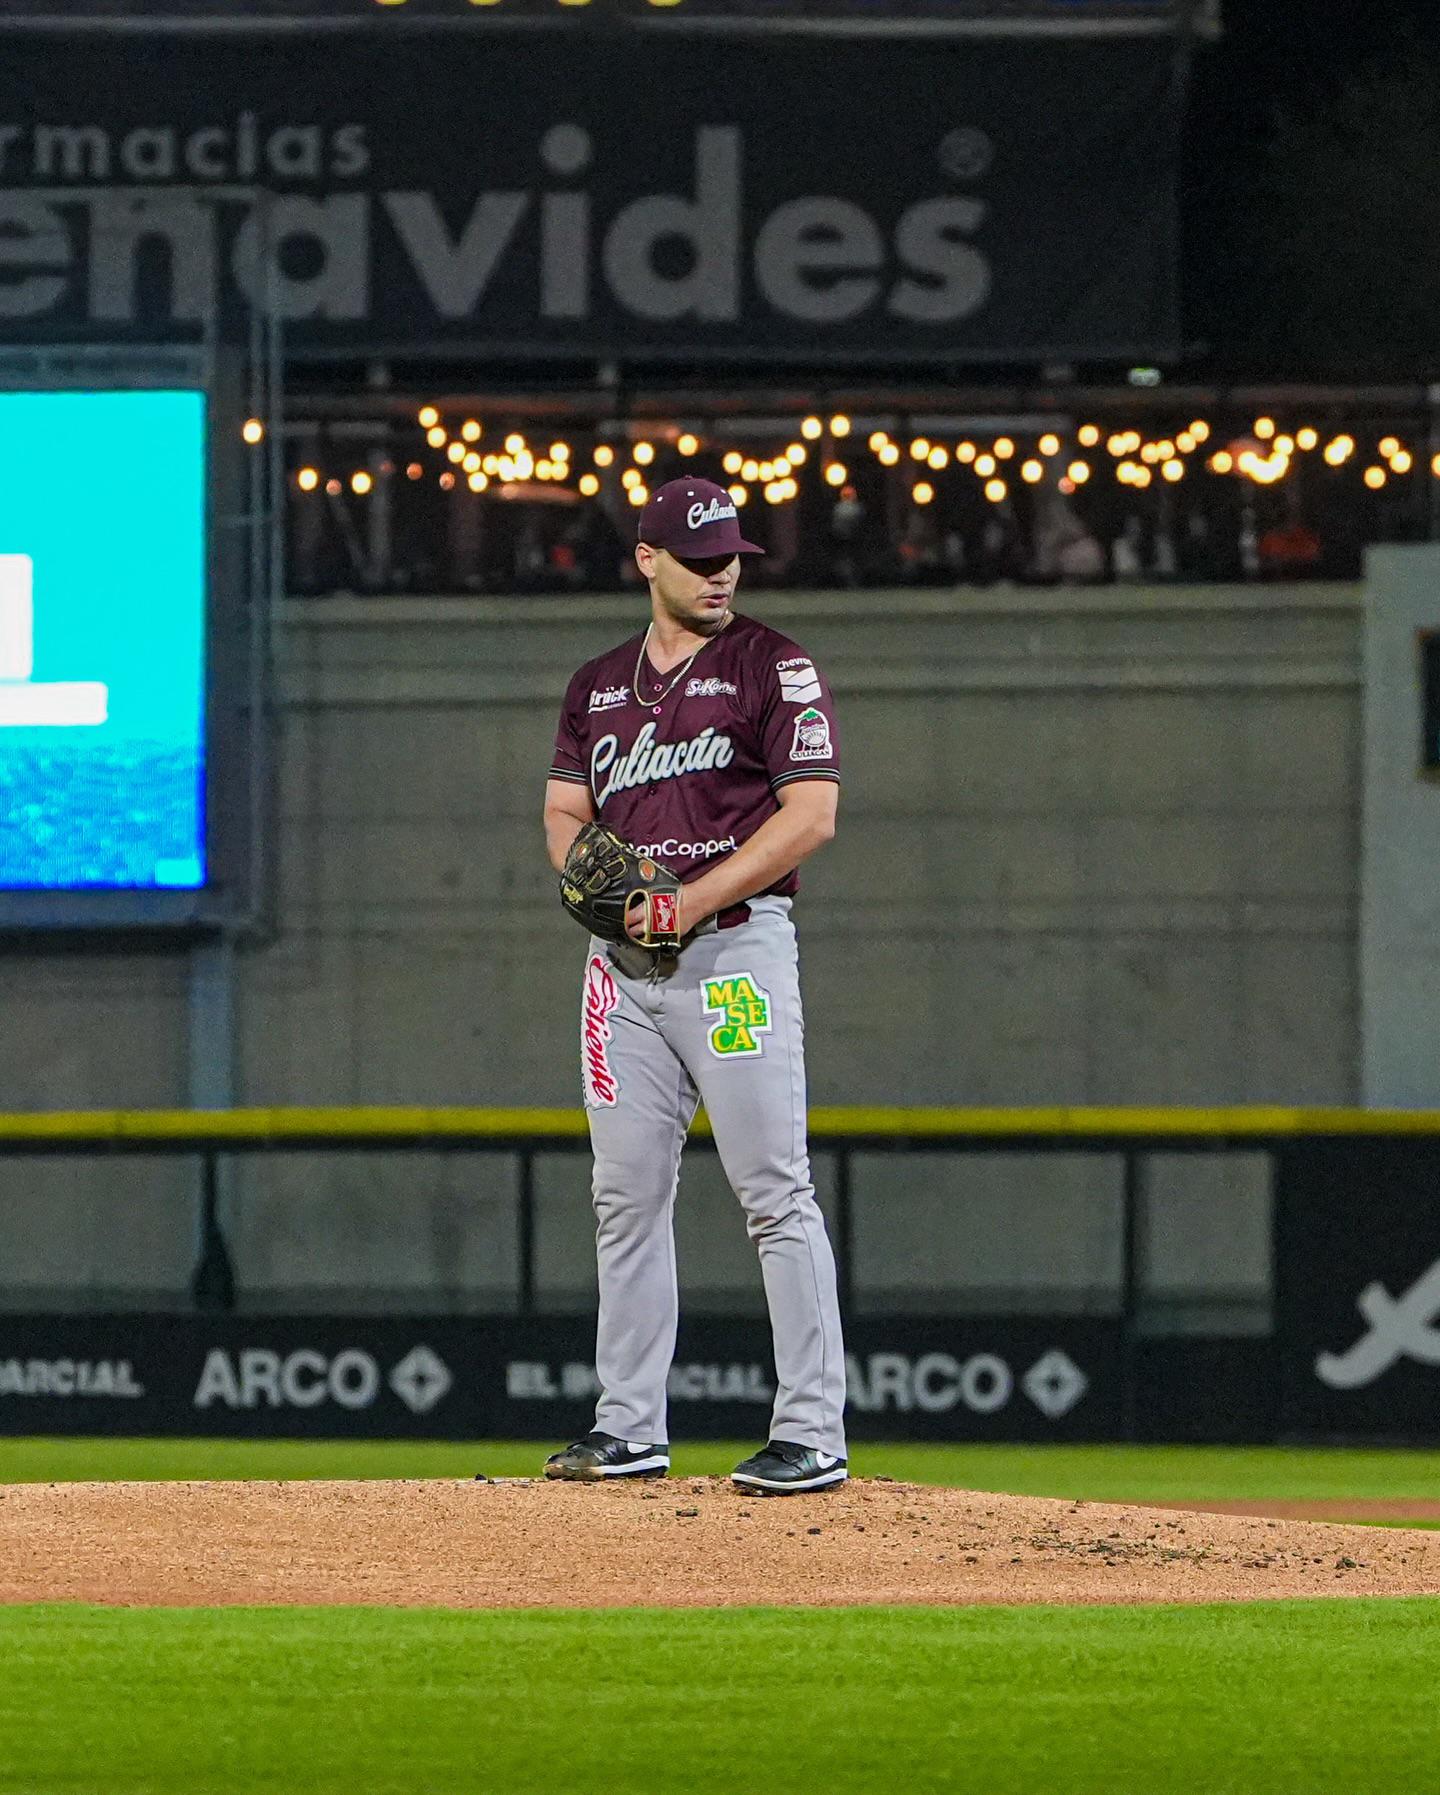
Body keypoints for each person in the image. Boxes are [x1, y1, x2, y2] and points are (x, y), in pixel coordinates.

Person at [541, 477, 848, 1495]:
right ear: (647, 559)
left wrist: (689, 896)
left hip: (734, 958)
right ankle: (628, 1425)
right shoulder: (595, 686)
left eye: (731, 557)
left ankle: (811, 1430)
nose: (721, 572)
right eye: (700, 555)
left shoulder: (774, 664)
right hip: (621, 974)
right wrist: (608, 886)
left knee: (773, 1187)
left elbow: (810, 817)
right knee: (624, 1195)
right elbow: (562, 815)